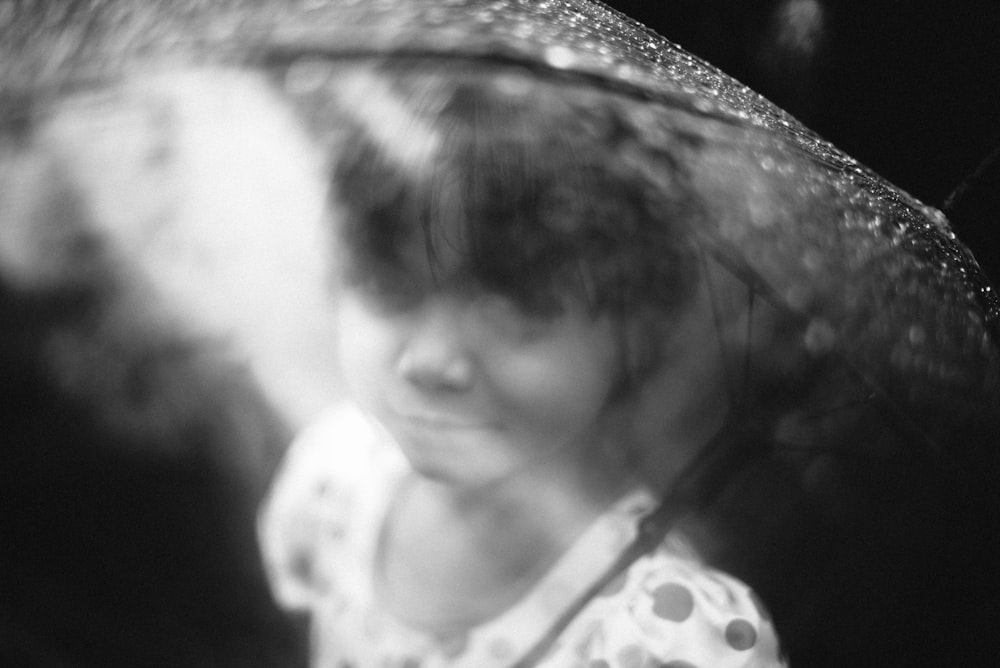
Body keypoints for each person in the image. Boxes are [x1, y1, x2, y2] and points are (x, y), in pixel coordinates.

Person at [259, 58, 787, 668]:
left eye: (512, 316)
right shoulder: (336, 481)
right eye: (389, 288)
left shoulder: (662, 639)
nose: (430, 363)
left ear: (635, 330)